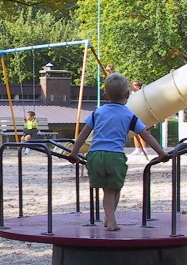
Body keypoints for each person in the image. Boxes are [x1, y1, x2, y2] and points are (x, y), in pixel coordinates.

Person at [69, 73, 169, 231]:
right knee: (111, 190)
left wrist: (74, 152)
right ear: (128, 95)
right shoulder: (129, 115)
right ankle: (112, 222)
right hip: (114, 155)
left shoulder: (98, 112)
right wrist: (161, 153)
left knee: (111, 189)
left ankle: (109, 219)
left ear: (105, 95)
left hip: (95, 155)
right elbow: (145, 134)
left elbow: (83, 134)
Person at [129, 80, 149, 157]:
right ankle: (137, 148)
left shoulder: (141, 93)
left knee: (141, 132)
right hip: (134, 113)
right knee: (135, 133)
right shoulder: (132, 93)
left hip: (141, 114)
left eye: (135, 85)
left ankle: (144, 148)